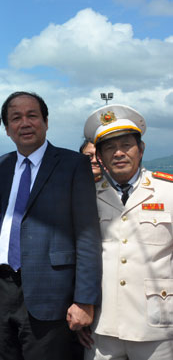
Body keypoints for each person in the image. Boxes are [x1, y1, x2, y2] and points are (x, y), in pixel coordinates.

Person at [0, 91, 102, 360]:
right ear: (8, 129)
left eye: (32, 116)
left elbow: (87, 236)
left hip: (51, 295)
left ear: (46, 122)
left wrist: (85, 299)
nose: (25, 123)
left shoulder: (73, 165)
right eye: (16, 118)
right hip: (0, 293)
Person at [79, 104, 173, 360]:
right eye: (109, 147)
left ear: (141, 150)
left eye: (126, 145)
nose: (118, 153)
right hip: (101, 325)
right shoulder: (87, 194)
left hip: (158, 325)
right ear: (99, 155)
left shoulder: (168, 192)